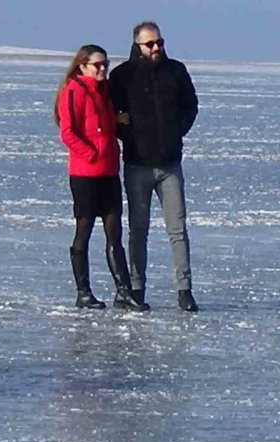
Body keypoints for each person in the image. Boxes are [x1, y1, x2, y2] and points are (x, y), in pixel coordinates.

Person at [110, 21, 200, 312]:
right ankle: (137, 288)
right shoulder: (122, 76)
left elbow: (190, 106)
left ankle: (184, 290)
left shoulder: (176, 71)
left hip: (170, 164)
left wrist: (176, 132)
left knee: (178, 228)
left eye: (160, 42)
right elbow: (111, 113)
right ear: (138, 46)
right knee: (139, 229)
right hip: (138, 164)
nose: (157, 48)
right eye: (150, 44)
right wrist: (127, 133)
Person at [54, 45, 149, 312]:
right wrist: (91, 154)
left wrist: (118, 121)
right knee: (83, 231)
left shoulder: (103, 93)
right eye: (97, 65)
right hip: (85, 175)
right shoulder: (73, 91)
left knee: (114, 233)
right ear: (82, 66)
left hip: (109, 173)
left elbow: (104, 127)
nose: (103, 69)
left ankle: (124, 291)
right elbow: (68, 133)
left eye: (105, 64)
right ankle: (83, 292)